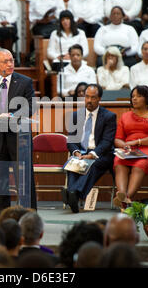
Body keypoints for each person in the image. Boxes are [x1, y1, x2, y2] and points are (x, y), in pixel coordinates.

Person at [0, 49, 37, 217]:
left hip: (19, 139)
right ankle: (3, 219)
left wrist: (12, 115)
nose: (10, 64)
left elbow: (31, 107)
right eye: (5, 61)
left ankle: (29, 218)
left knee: (24, 182)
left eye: (11, 60)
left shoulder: (24, 82)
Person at [63, 84, 116, 213]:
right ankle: (74, 195)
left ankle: (72, 194)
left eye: (93, 97)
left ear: (99, 99)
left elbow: (107, 142)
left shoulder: (109, 116)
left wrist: (92, 154)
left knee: (91, 164)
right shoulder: (75, 115)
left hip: (101, 154)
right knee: (72, 164)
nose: (89, 100)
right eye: (87, 97)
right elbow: (71, 140)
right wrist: (75, 152)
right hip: (80, 152)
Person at [113, 85, 148, 207]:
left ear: (147, 98)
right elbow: (118, 139)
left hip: (147, 148)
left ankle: (126, 198)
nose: (135, 99)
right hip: (128, 149)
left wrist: (137, 142)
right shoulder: (125, 116)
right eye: (133, 96)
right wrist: (124, 145)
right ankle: (121, 194)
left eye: (139, 96)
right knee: (119, 162)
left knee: (139, 166)